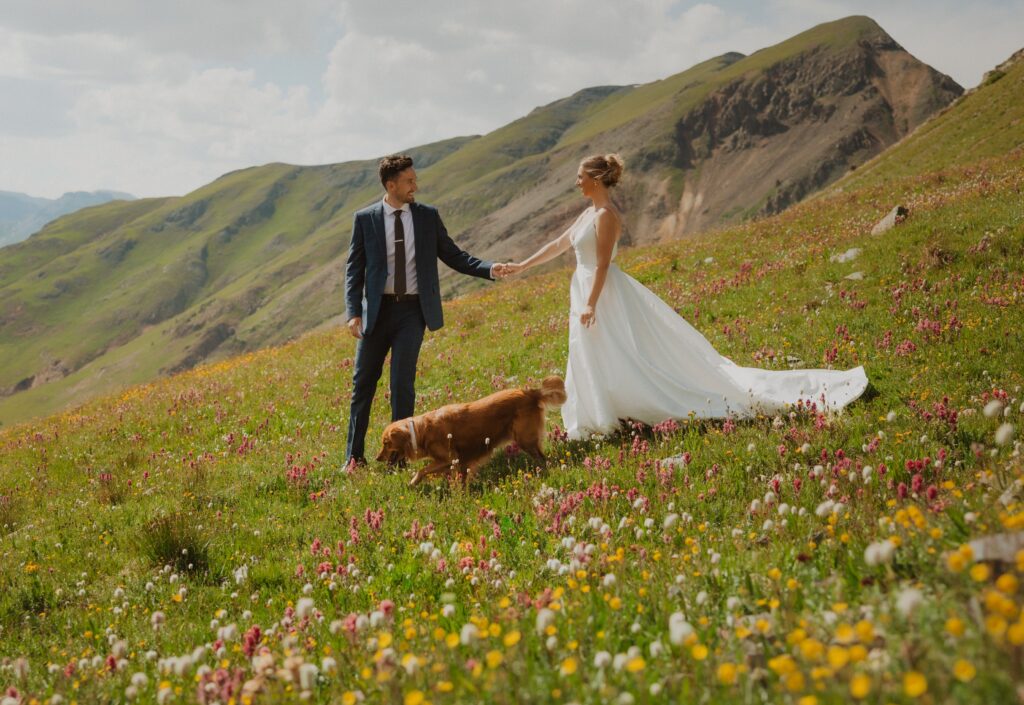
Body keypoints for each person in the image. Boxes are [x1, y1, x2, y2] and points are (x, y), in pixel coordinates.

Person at [505, 153, 868, 439]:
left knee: (618, 351)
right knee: (592, 352)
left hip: (602, 292)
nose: (577, 182)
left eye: (581, 176)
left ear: (596, 178)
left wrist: (590, 302)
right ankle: (603, 412)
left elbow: (601, 265)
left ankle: (623, 409)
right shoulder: (588, 214)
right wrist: (522, 265)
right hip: (584, 288)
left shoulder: (606, 217)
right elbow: (558, 244)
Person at [343, 154, 510, 469]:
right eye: (408, 181)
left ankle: (398, 460)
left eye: (414, 179)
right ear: (391, 185)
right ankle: (354, 457)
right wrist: (354, 312)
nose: (415, 186)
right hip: (376, 314)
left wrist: (490, 268)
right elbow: (355, 270)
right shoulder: (365, 219)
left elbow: (454, 255)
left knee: (402, 384)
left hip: (412, 313)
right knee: (362, 383)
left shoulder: (426, 217)